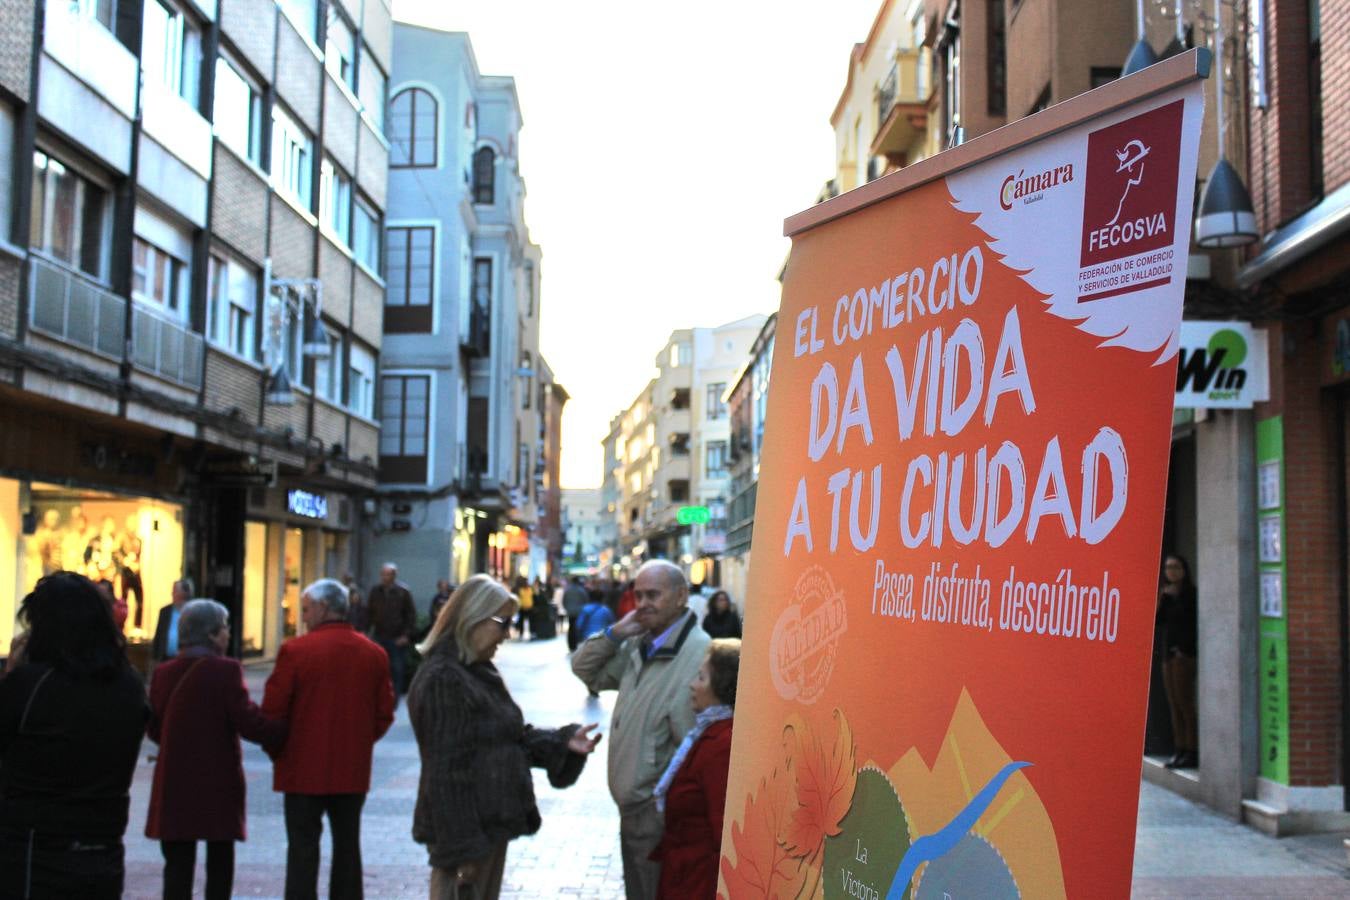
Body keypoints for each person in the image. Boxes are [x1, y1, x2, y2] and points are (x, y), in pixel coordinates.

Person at [408, 575, 601, 899]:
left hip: (487, 826)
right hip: (468, 836)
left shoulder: (474, 668)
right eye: (503, 622)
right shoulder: (444, 678)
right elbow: (447, 772)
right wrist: (462, 851)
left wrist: (561, 742)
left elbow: (504, 737)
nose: (508, 633)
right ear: (474, 618)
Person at [0, 572, 149, 898]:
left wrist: (12, 675)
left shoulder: (32, 685)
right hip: (103, 845)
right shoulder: (128, 685)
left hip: (35, 850)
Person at [572, 559, 710, 900]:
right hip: (633, 812)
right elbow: (585, 669)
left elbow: (696, 747)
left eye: (653, 595)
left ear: (681, 596)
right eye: (638, 595)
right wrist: (616, 632)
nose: (644, 604)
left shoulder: (698, 654)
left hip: (657, 816)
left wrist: (662, 806)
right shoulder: (640, 643)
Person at [261, 578, 396, 900]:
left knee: (302, 848)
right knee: (348, 847)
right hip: (351, 769)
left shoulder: (295, 651)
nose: (304, 617)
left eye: (306, 609)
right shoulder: (373, 653)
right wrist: (358, 740)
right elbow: (384, 713)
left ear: (323, 608)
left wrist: (278, 749)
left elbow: (273, 710)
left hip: (301, 768)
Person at [146, 600, 287, 900]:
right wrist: (283, 730)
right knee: (220, 862)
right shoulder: (225, 670)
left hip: (175, 779)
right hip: (217, 778)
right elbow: (248, 721)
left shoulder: (164, 672)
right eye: (224, 628)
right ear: (211, 635)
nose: (227, 634)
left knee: (177, 864)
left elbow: (154, 725)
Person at [650, 638, 740, 899]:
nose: (692, 685)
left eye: (701, 677)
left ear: (721, 686)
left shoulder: (723, 743)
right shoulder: (710, 731)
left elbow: (723, 836)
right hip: (685, 875)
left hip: (697, 884)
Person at [1158, 554, 1198, 769]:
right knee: (1173, 703)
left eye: (1175, 567)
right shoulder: (1167, 595)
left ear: (1184, 569)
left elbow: (1192, 624)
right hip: (1167, 655)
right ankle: (1179, 748)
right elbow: (1159, 622)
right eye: (1167, 567)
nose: (1171, 571)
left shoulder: (1190, 595)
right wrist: (1163, 599)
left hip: (1184, 656)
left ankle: (1192, 750)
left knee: (1185, 703)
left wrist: (1185, 651)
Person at [367, 563, 417, 695]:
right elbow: (369, 613)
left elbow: (410, 615)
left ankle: (395, 696)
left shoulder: (403, 592)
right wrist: (366, 633)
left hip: (397, 637)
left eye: (387, 574)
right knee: (377, 666)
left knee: (397, 668)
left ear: (394, 575)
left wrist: (406, 635)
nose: (384, 577)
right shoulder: (375, 591)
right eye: (383, 574)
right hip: (379, 635)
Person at [152, 578, 194, 663]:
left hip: (184, 660)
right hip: (165, 659)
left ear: (184, 593)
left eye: (175, 591)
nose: (172, 593)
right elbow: (158, 636)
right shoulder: (164, 611)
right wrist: (154, 659)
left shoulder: (192, 612)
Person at [562, 575, 590, 651]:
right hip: (579, 612)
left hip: (570, 612)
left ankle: (571, 645)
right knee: (579, 628)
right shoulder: (581, 590)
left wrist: (567, 609)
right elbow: (586, 601)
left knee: (571, 628)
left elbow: (564, 601)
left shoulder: (567, 590)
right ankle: (578, 643)